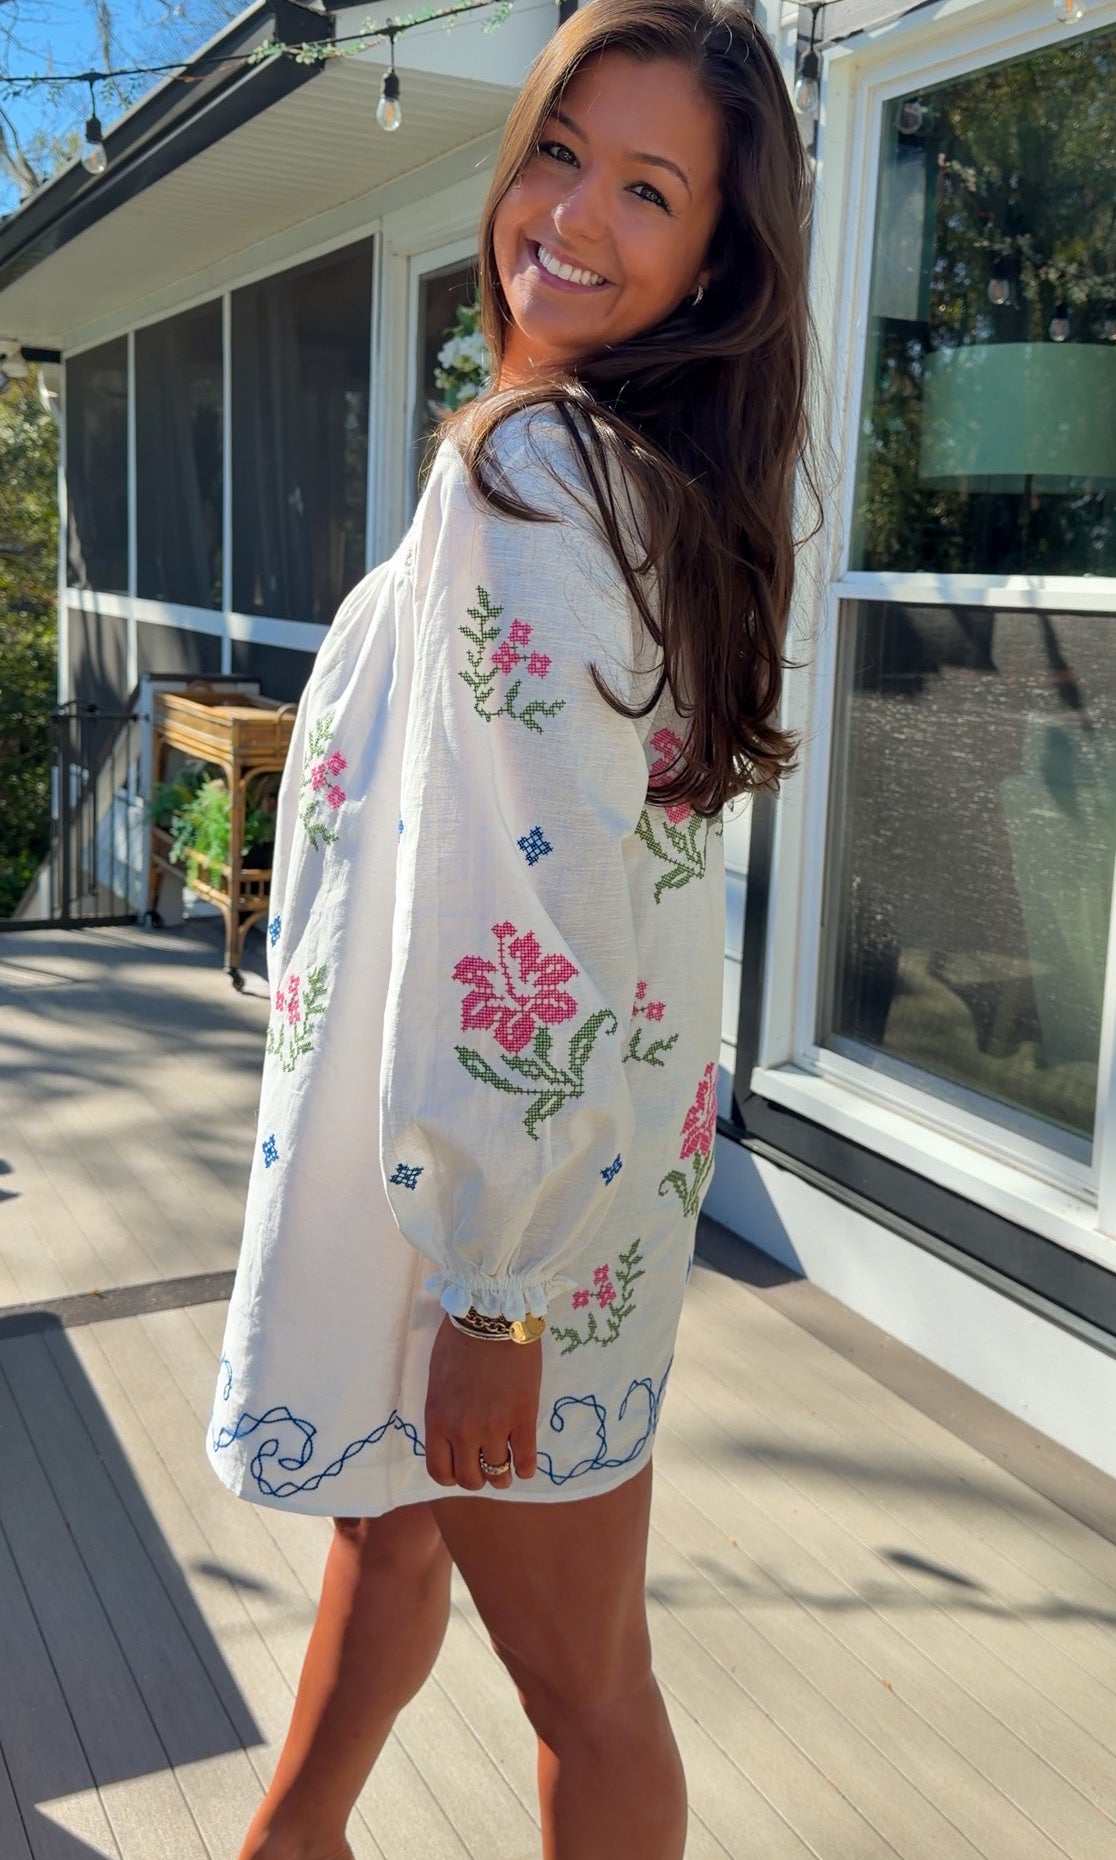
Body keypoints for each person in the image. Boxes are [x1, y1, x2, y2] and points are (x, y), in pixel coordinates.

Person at [208, 2, 813, 1855]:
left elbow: (524, 902)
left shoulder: (536, 474)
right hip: (522, 1180)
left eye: (650, 188)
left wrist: (492, 1277)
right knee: (386, 1544)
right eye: (561, 151)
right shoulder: (639, 486)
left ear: (718, 255)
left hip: (497, 1209)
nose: (576, 215)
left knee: (585, 1686)